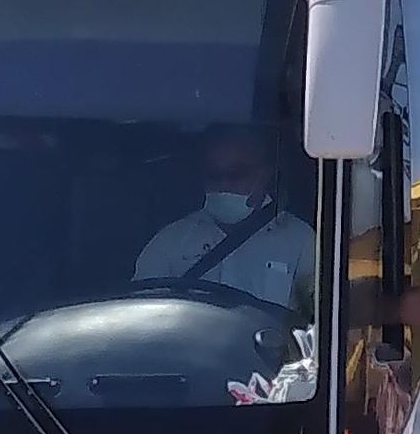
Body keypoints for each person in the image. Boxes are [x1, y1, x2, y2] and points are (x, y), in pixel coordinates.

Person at [132, 126, 317, 313]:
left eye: (237, 173)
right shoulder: (169, 241)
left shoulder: (302, 242)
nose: (224, 184)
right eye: (214, 175)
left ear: (266, 172)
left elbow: (318, 321)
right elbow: (141, 316)